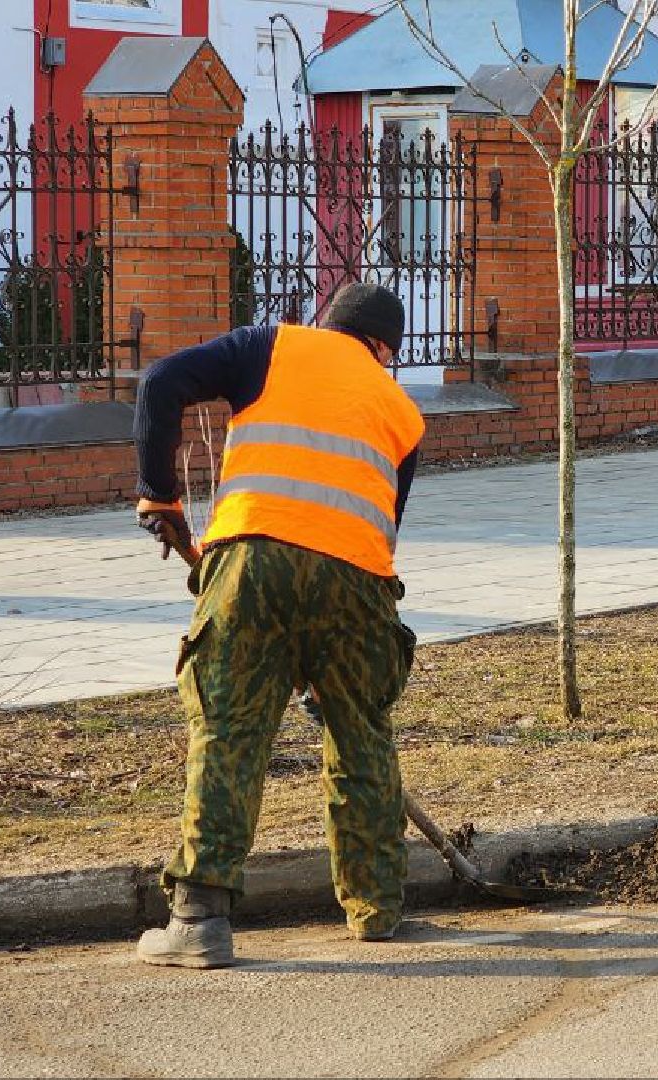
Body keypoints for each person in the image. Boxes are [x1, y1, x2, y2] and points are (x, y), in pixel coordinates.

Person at [130, 283, 425, 968]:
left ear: (330, 324)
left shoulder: (270, 346)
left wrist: (159, 494)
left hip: (252, 564)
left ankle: (199, 920)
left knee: (230, 731)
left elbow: (160, 382)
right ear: (385, 351)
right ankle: (376, 910)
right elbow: (383, 524)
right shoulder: (402, 413)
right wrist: (333, 665)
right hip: (359, 582)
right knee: (361, 734)